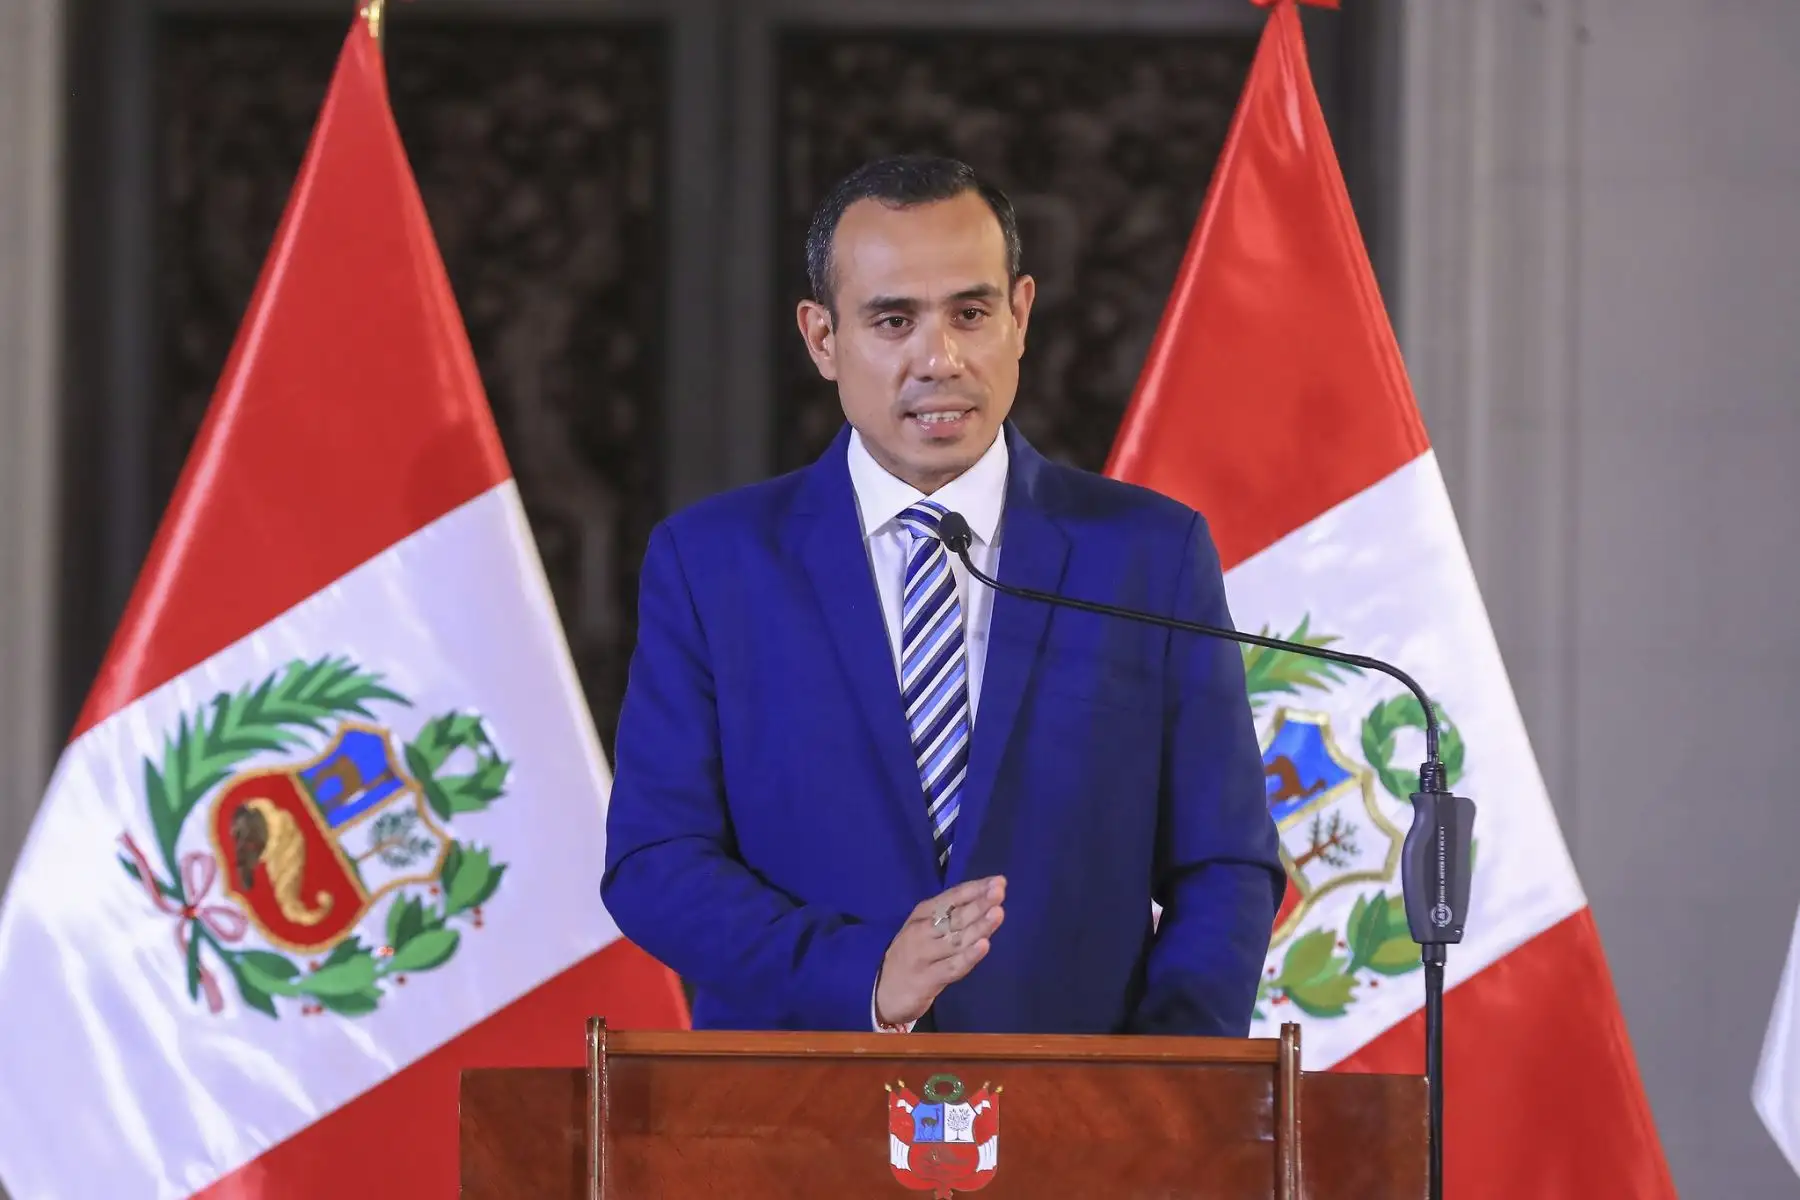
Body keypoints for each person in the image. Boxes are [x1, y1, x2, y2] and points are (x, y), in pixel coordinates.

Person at [601, 155, 1283, 1036]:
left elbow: (1223, 862)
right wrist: (864, 979)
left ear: (1021, 315)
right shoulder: (714, 563)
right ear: (821, 339)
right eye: (893, 320)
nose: (940, 358)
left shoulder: (1149, 554)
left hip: (1082, 1123)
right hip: (792, 1112)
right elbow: (657, 862)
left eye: (971, 312)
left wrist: (1162, 1089)